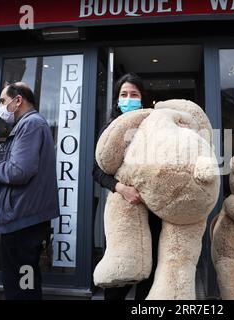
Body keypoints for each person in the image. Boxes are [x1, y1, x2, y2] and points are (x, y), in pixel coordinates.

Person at [0, 82, 60, 300]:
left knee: (22, 287)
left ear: (18, 101)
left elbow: (19, 171)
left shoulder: (31, 124)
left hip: (23, 223)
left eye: (3, 101)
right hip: (23, 220)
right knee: (24, 285)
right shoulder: (29, 125)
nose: (1, 106)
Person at [92, 73, 162, 300]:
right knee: (117, 279)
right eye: (124, 94)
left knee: (148, 276)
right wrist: (121, 188)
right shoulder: (110, 129)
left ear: (142, 99)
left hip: (152, 212)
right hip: (121, 215)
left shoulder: (154, 127)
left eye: (134, 94)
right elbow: (96, 170)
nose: (128, 99)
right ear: (117, 98)